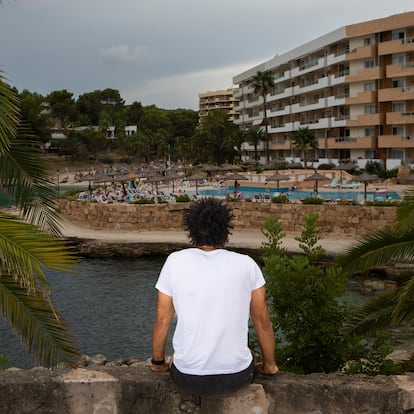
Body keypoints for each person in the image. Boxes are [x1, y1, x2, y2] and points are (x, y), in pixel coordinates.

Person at [150, 197, 278, 395]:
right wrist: (269, 366)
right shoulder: (247, 265)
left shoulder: (174, 262)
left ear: (190, 230)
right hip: (237, 376)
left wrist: (158, 362)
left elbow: (162, 319)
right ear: (226, 230)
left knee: (178, 357)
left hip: (188, 377)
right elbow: (262, 323)